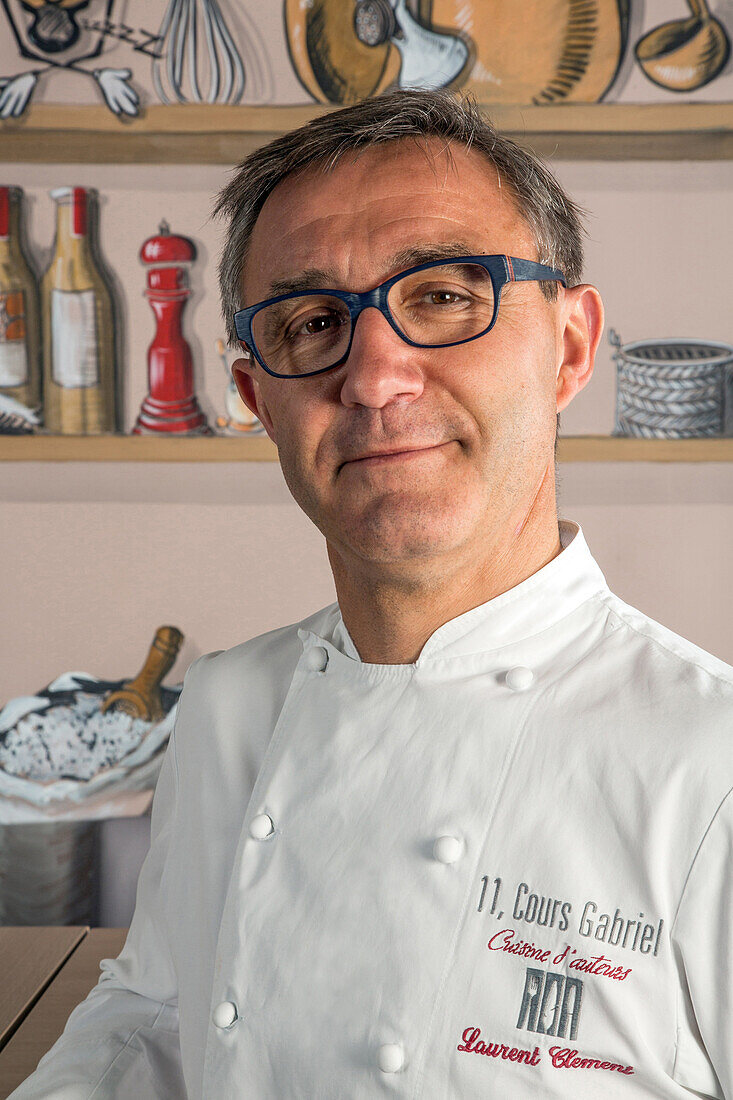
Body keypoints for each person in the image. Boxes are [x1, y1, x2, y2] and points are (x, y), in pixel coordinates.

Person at [10, 89, 733, 1100]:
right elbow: (156, 1011)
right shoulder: (224, 707)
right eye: (311, 322)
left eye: (442, 295)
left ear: (569, 347)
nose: (376, 376)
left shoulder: (711, 761)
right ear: (260, 397)